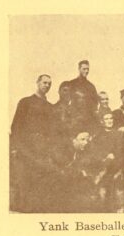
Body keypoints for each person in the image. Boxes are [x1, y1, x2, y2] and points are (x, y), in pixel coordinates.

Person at [9, 75, 55, 211]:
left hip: (42, 149)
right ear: (37, 83)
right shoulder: (25, 102)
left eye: (49, 84)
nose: (47, 85)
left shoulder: (49, 106)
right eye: (44, 82)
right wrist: (16, 147)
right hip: (27, 148)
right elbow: (16, 126)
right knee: (25, 179)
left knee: (39, 180)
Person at [91, 112, 123, 211]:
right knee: (102, 192)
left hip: (116, 167)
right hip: (103, 168)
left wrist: (114, 156)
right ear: (102, 121)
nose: (109, 121)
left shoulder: (119, 134)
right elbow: (95, 152)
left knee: (118, 192)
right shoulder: (98, 136)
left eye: (111, 118)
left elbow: (122, 150)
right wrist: (105, 156)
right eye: (106, 119)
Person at [65, 60, 99, 134]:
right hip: (75, 120)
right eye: (84, 69)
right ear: (79, 69)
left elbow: (95, 104)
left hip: (88, 120)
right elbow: (65, 101)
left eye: (88, 69)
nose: (86, 71)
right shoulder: (71, 84)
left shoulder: (91, 86)